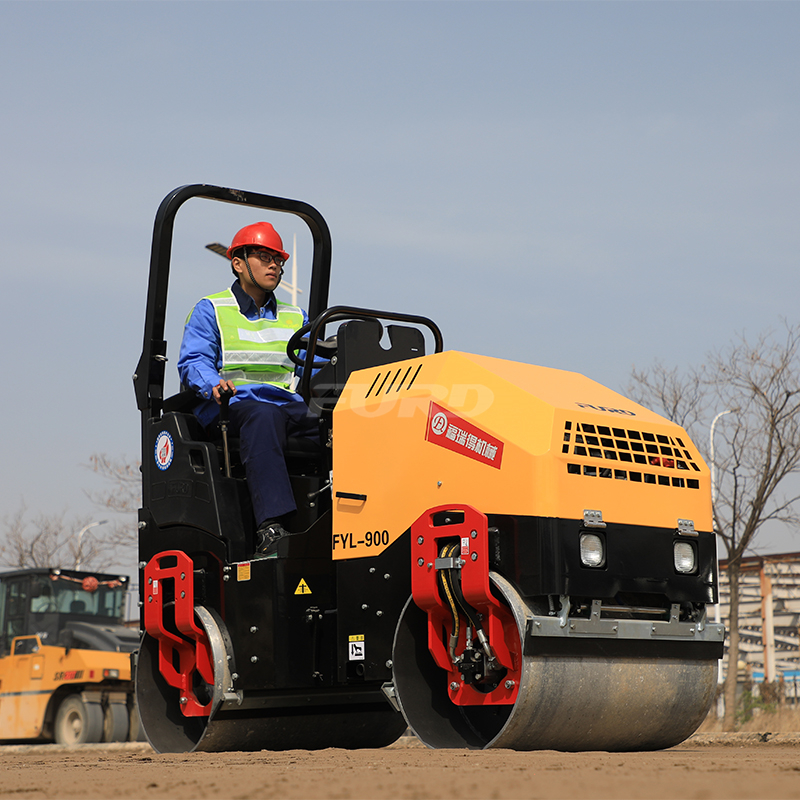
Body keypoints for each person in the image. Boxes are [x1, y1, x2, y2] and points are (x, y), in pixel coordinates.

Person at [177, 221, 318, 557]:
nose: (274, 265)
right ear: (238, 263)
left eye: (278, 259)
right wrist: (213, 384)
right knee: (264, 416)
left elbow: (314, 365)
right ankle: (270, 527)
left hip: (284, 406)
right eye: (264, 256)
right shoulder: (212, 309)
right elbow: (193, 361)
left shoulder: (295, 316)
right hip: (230, 406)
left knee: (341, 426)